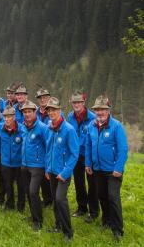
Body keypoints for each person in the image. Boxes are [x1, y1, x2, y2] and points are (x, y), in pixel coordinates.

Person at [85, 95, 128, 241]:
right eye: (97, 109)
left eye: (103, 109)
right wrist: (88, 163)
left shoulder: (116, 126)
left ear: (108, 110)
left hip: (113, 171)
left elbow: (123, 149)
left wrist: (119, 167)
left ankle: (117, 230)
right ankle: (106, 221)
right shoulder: (91, 125)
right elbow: (88, 146)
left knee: (113, 198)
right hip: (97, 169)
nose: (100, 112)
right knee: (102, 196)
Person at [45, 97, 79, 241]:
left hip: (63, 173)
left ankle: (68, 232)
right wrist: (47, 169)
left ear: (60, 110)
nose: (51, 112)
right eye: (49, 110)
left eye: (54, 110)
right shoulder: (49, 127)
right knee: (55, 199)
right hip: (52, 171)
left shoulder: (69, 129)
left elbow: (74, 153)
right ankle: (58, 225)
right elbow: (48, 150)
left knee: (60, 199)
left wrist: (65, 172)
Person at [67, 90, 98, 222]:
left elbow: (94, 138)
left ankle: (93, 212)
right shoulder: (70, 117)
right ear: (71, 103)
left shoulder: (92, 118)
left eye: (79, 102)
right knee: (79, 182)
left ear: (84, 102)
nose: (77, 104)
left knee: (92, 184)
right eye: (74, 102)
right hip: (75, 155)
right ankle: (82, 208)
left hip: (88, 155)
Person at [20, 100, 48, 231]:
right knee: (27, 191)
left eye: (29, 112)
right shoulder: (23, 126)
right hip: (25, 164)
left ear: (34, 112)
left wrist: (47, 166)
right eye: (24, 112)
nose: (27, 114)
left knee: (33, 192)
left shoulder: (42, 128)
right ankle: (33, 215)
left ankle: (38, 221)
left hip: (38, 165)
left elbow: (48, 147)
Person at [0, 106, 25, 212]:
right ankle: (9, 204)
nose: (6, 119)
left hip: (19, 163)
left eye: (9, 117)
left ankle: (21, 206)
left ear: (14, 117)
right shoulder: (0, 127)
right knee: (8, 185)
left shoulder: (22, 129)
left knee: (20, 186)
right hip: (5, 162)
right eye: (5, 117)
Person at [35, 86, 54, 207]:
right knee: (41, 175)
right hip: (37, 147)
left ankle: (52, 199)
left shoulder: (54, 112)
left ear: (49, 98)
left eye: (45, 97)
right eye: (40, 98)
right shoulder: (34, 112)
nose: (43, 100)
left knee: (50, 175)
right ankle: (47, 199)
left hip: (50, 147)